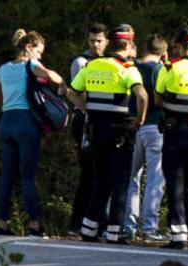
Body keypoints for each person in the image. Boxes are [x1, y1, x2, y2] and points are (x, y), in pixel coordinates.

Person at [0, 29, 74, 238]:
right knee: (27, 177)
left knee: (7, 175)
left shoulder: (2, 69)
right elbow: (51, 76)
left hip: (6, 123)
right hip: (26, 122)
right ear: (28, 48)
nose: (40, 56)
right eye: (39, 51)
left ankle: (2, 224)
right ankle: (34, 225)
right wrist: (62, 84)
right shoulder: (31, 65)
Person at [71, 24, 148, 244]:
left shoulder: (92, 65)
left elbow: (72, 92)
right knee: (120, 182)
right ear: (128, 45)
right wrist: (140, 119)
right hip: (121, 130)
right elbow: (142, 95)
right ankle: (114, 231)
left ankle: (88, 229)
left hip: (97, 129)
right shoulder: (127, 69)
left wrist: (86, 108)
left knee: (100, 179)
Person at [155, 27, 188, 250]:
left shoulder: (170, 67)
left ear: (179, 46)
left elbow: (158, 99)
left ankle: (178, 235)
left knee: (176, 182)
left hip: (175, 132)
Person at [123, 34, 168, 242]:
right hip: (155, 127)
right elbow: (163, 97)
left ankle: (128, 226)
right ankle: (150, 227)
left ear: (144, 47)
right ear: (163, 52)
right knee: (155, 179)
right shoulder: (160, 70)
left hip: (133, 125)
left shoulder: (131, 67)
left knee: (131, 178)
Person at [68, 23, 108, 236]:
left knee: (99, 173)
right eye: (92, 40)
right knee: (88, 173)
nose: (95, 45)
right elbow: (79, 93)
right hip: (85, 120)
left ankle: (97, 222)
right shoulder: (81, 62)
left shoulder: (109, 62)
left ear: (106, 41)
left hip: (101, 121)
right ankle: (78, 222)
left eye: (99, 41)